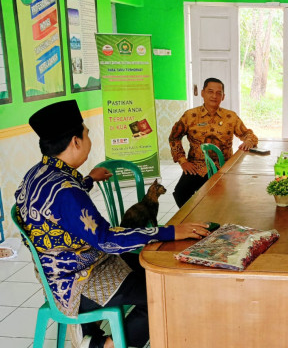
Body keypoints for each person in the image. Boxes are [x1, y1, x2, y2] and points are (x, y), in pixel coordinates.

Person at [15, 100, 210, 348]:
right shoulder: (66, 192)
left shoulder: (37, 173)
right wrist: (170, 231)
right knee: (165, 293)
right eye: (87, 135)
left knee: (153, 272)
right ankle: (105, 345)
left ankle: (91, 335)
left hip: (56, 272)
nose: (89, 141)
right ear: (75, 142)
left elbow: (58, 207)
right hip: (78, 281)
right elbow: (107, 239)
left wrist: (88, 180)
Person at [169, 77, 258, 208]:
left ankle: (216, 220)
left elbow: (248, 134)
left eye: (218, 93)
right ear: (202, 93)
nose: (214, 96)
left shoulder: (230, 117)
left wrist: (249, 141)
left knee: (225, 199)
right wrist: (183, 161)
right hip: (197, 167)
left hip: (223, 168)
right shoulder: (190, 115)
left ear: (223, 96)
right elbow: (174, 137)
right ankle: (194, 220)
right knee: (181, 193)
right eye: (210, 91)